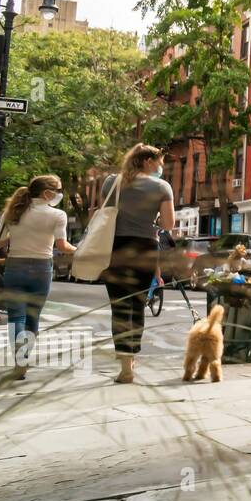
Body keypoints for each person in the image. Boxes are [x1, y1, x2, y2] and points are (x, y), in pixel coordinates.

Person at [100, 143, 174, 384]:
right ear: (147, 162)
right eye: (159, 163)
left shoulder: (112, 182)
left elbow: (106, 212)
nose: (161, 167)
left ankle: (124, 365)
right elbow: (168, 224)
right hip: (145, 247)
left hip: (116, 247)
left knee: (119, 306)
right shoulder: (162, 187)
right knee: (138, 304)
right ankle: (132, 359)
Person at [0, 175, 75, 380]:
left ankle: (20, 361)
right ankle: (26, 355)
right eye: (57, 190)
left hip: (15, 267)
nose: (59, 194)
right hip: (42, 269)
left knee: (16, 317)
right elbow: (63, 246)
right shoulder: (58, 215)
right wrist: (81, 250)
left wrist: (19, 234)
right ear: (46, 193)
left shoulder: (13, 212)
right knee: (32, 317)